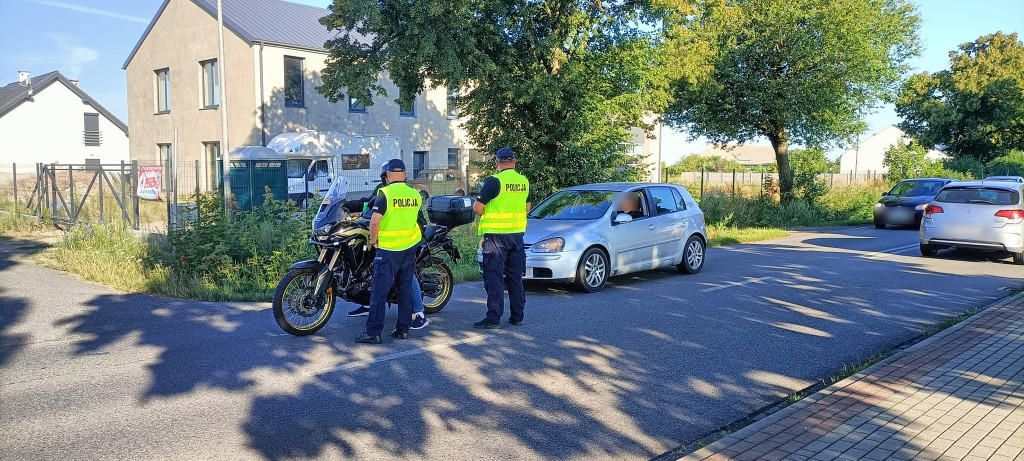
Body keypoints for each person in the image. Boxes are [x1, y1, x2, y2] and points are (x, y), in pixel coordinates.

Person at [347, 162, 429, 330]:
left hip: (390, 247)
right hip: (408, 244)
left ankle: (416, 313)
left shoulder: (386, 193)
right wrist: (350, 204)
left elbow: (376, 221)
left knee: (379, 291)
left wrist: (374, 239)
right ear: (405, 175)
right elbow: (370, 202)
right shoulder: (414, 194)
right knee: (404, 288)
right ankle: (403, 329)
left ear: (388, 175)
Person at [473, 147, 530, 329]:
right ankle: (517, 316)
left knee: (495, 278)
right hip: (517, 236)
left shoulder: (494, 181)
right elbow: (527, 207)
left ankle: (493, 319)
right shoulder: (523, 181)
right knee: (515, 278)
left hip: (496, 238)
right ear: (514, 162)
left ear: (496, 162)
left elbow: (478, 208)